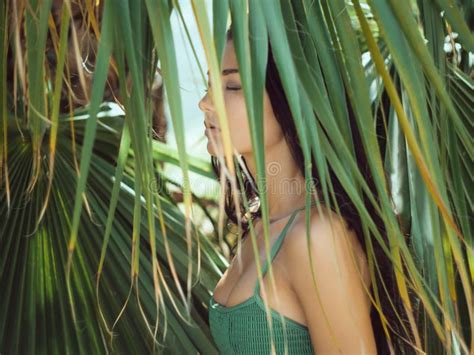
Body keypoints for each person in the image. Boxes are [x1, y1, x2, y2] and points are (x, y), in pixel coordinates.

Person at [198, 28, 408, 354]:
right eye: (210, 84)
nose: (206, 102)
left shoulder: (317, 237)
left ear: (291, 99)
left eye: (233, 86)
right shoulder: (261, 226)